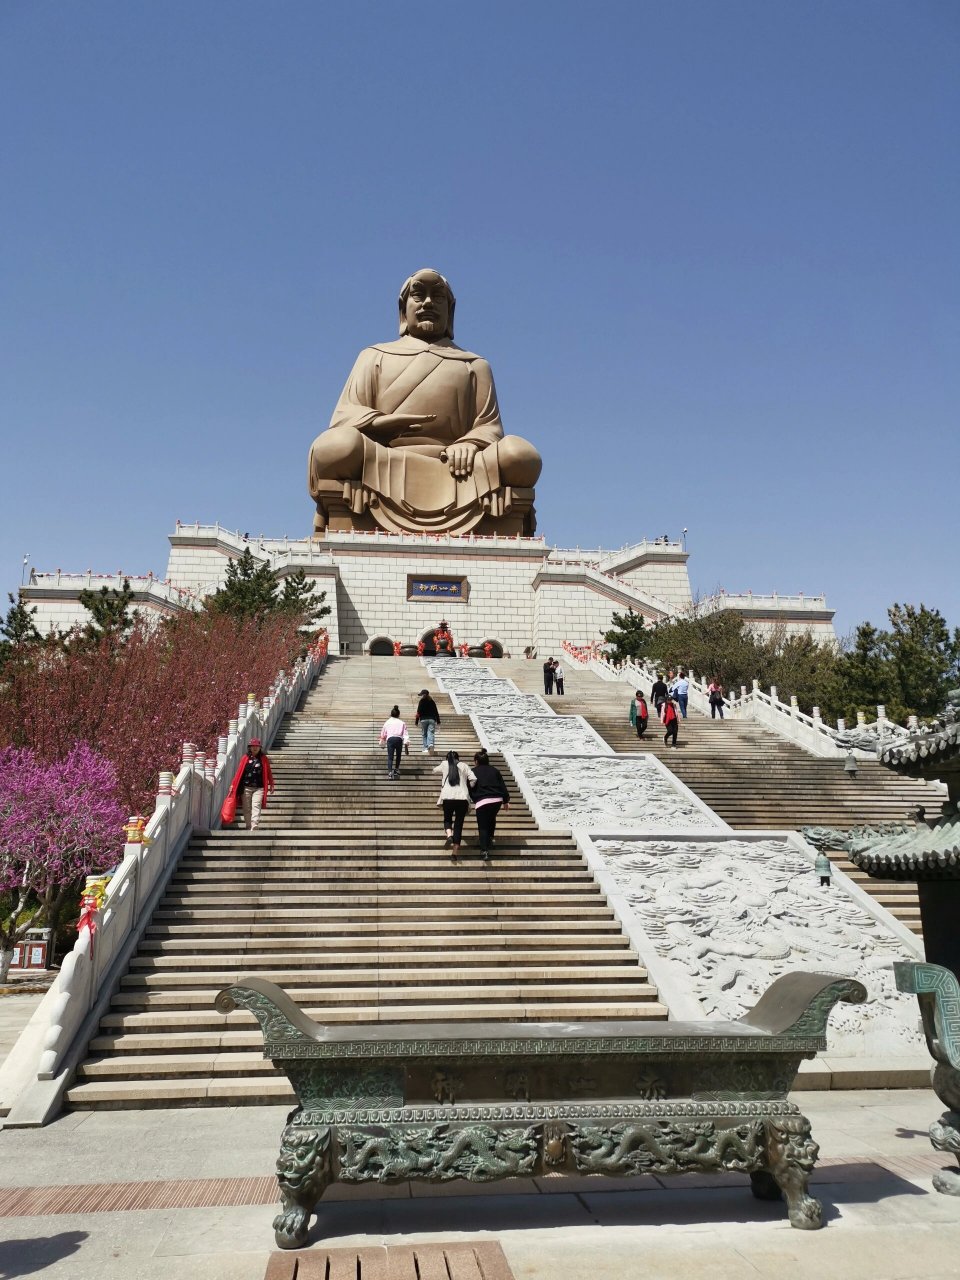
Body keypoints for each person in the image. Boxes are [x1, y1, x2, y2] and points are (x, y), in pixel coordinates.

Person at [307, 268, 542, 535]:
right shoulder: (374, 356)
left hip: (459, 467)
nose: (428, 303)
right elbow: (344, 417)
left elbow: (489, 427)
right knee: (335, 446)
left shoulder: (474, 365)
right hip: (383, 458)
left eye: (437, 297)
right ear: (403, 308)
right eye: (419, 295)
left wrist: (469, 443)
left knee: (520, 455)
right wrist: (381, 424)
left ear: (450, 310)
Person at [434, 750, 476, 862]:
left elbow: (434, 770)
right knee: (459, 824)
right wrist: (468, 788)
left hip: (447, 797)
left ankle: (449, 835)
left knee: (447, 818)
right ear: (458, 758)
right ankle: (454, 853)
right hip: (462, 798)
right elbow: (473, 779)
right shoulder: (464, 765)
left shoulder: (444, 764)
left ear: (447, 758)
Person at [226, 738, 275, 832]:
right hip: (246, 787)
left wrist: (271, 783)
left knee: (256, 805)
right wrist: (233, 784)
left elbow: (268, 771)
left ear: (260, 748)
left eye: (257, 746)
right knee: (246, 808)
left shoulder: (264, 758)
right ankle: (249, 825)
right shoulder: (245, 758)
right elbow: (239, 772)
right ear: (250, 747)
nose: (255, 748)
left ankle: (255, 824)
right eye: (253, 746)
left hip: (259, 788)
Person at [469, 749, 510, 861]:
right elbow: (502, 786)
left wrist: (471, 798)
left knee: (482, 825)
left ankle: (484, 850)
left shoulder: (473, 771)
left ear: (476, 761)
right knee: (491, 818)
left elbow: (469, 787)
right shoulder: (495, 770)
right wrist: (505, 800)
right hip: (496, 800)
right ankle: (490, 837)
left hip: (482, 800)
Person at [378, 705, 409, 779]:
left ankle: (389, 772)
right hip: (399, 739)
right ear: (398, 714)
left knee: (390, 757)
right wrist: (406, 744)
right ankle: (396, 769)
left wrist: (382, 741)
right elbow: (405, 734)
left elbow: (383, 733)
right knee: (398, 755)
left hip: (390, 739)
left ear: (391, 714)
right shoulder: (402, 722)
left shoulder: (387, 722)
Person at [415, 688, 441, 754]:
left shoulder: (421, 701)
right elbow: (436, 711)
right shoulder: (432, 701)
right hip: (432, 719)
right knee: (431, 732)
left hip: (423, 719)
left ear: (423, 695)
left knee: (424, 734)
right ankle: (430, 744)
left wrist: (416, 721)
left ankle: (426, 748)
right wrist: (438, 721)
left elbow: (418, 712)